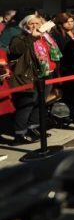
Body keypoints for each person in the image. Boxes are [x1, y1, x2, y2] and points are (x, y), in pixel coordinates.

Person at [7, 14, 56, 144]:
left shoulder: (46, 37)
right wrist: (31, 37)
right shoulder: (20, 37)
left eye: (38, 23)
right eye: (31, 23)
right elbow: (15, 49)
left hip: (46, 75)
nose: (35, 26)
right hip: (28, 77)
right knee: (26, 105)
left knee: (40, 103)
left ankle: (33, 128)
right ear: (25, 25)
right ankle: (20, 133)